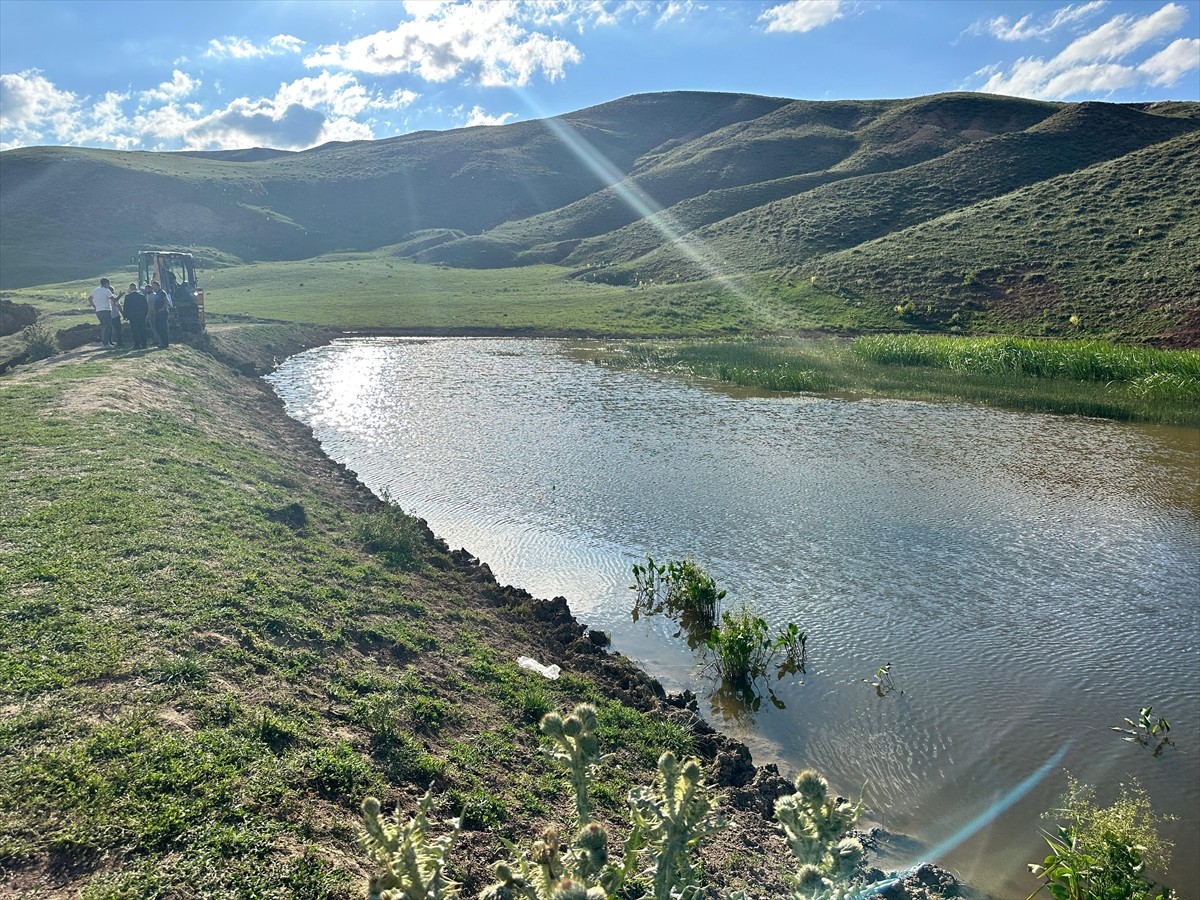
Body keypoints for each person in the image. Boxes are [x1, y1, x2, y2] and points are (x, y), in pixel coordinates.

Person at [88, 277, 120, 347]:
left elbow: (90, 299)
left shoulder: (95, 290)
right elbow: (114, 300)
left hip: (98, 311)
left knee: (103, 326)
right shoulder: (106, 290)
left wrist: (95, 306)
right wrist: (120, 295)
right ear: (106, 283)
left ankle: (105, 341)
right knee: (107, 326)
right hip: (106, 310)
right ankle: (106, 343)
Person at [123, 282, 149, 349]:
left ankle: (137, 344)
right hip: (141, 316)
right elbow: (146, 306)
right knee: (142, 329)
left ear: (130, 289)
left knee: (135, 330)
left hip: (132, 316)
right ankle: (144, 344)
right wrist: (145, 314)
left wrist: (125, 316)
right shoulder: (142, 296)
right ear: (136, 288)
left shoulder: (128, 297)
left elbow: (126, 307)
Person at [149, 279, 170, 349]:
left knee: (163, 328)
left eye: (153, 286)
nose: (152, 288)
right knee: (158, 327)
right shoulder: (156, 294)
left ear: (157, 286)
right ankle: (161, 342)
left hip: (162, 312)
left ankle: (165, 343)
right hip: (157, 312)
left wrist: (162, 308)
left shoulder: (162, 293)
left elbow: (166, 301)